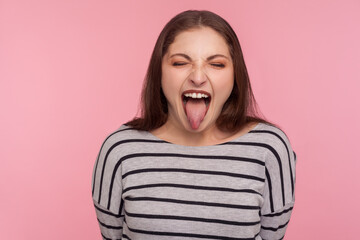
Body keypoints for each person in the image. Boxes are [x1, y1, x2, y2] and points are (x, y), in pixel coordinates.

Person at [91, 10, 296, 240]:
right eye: (180, 62)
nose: (198, 77)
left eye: (216, 64)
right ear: (159, 72)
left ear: (235, 76)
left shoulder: (269, 149)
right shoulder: (120, 149)